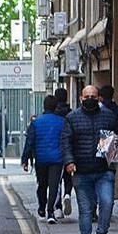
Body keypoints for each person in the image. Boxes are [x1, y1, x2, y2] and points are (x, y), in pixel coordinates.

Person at [61, 85, 118, 234]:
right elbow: (66, 142)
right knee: (86, 209)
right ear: (81, 98)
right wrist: (69, 162)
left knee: (107, 203)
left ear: (99, 98)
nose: (90, 99)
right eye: (87, 96)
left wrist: (113, 159)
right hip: (82, 171)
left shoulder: (109, 116)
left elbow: (116, 139)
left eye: (93, 96)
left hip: (104, 171)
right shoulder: (72, 118)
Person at [22, 96, 67, 224]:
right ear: (56, 106)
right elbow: (66, 141)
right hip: (57, 159)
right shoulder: (62, 122)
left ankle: (42, 206)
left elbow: (29, 142)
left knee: (42, 185)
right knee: (54, 185)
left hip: (41, 159)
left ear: (44, 106)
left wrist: (25, 160)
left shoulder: (36, 123)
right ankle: (50, 211)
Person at [53, 87, 74, 217]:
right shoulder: (71, 113)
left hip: (55, 150)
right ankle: (67, 194)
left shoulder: (52, 113)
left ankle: (58, 208)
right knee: (68, 175)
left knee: (56, 179)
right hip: (69, 149)